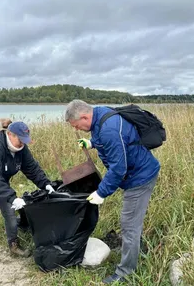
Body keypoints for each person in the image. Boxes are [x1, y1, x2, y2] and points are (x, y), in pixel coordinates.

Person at [65, 100, 160, 284]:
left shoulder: (109, 129)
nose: (77, 129)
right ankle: (135, 249)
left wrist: (101, 193)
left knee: (128, 224)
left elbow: (118, 169)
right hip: (135, 173)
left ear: (84, 116)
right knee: (132, 221)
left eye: (77, 126)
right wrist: (91, 143)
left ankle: (126, 272)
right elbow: (109, 138)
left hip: (140, 178)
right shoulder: (100, 114)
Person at [0, 119, 55, 269]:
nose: (22, 144)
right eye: (20, 140)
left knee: (10, 214)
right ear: (10, 134)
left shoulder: (21, 149)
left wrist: (46, 184)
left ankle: (13, 244)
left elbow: (32, 169)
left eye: (25, 141)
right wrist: (12, 197)